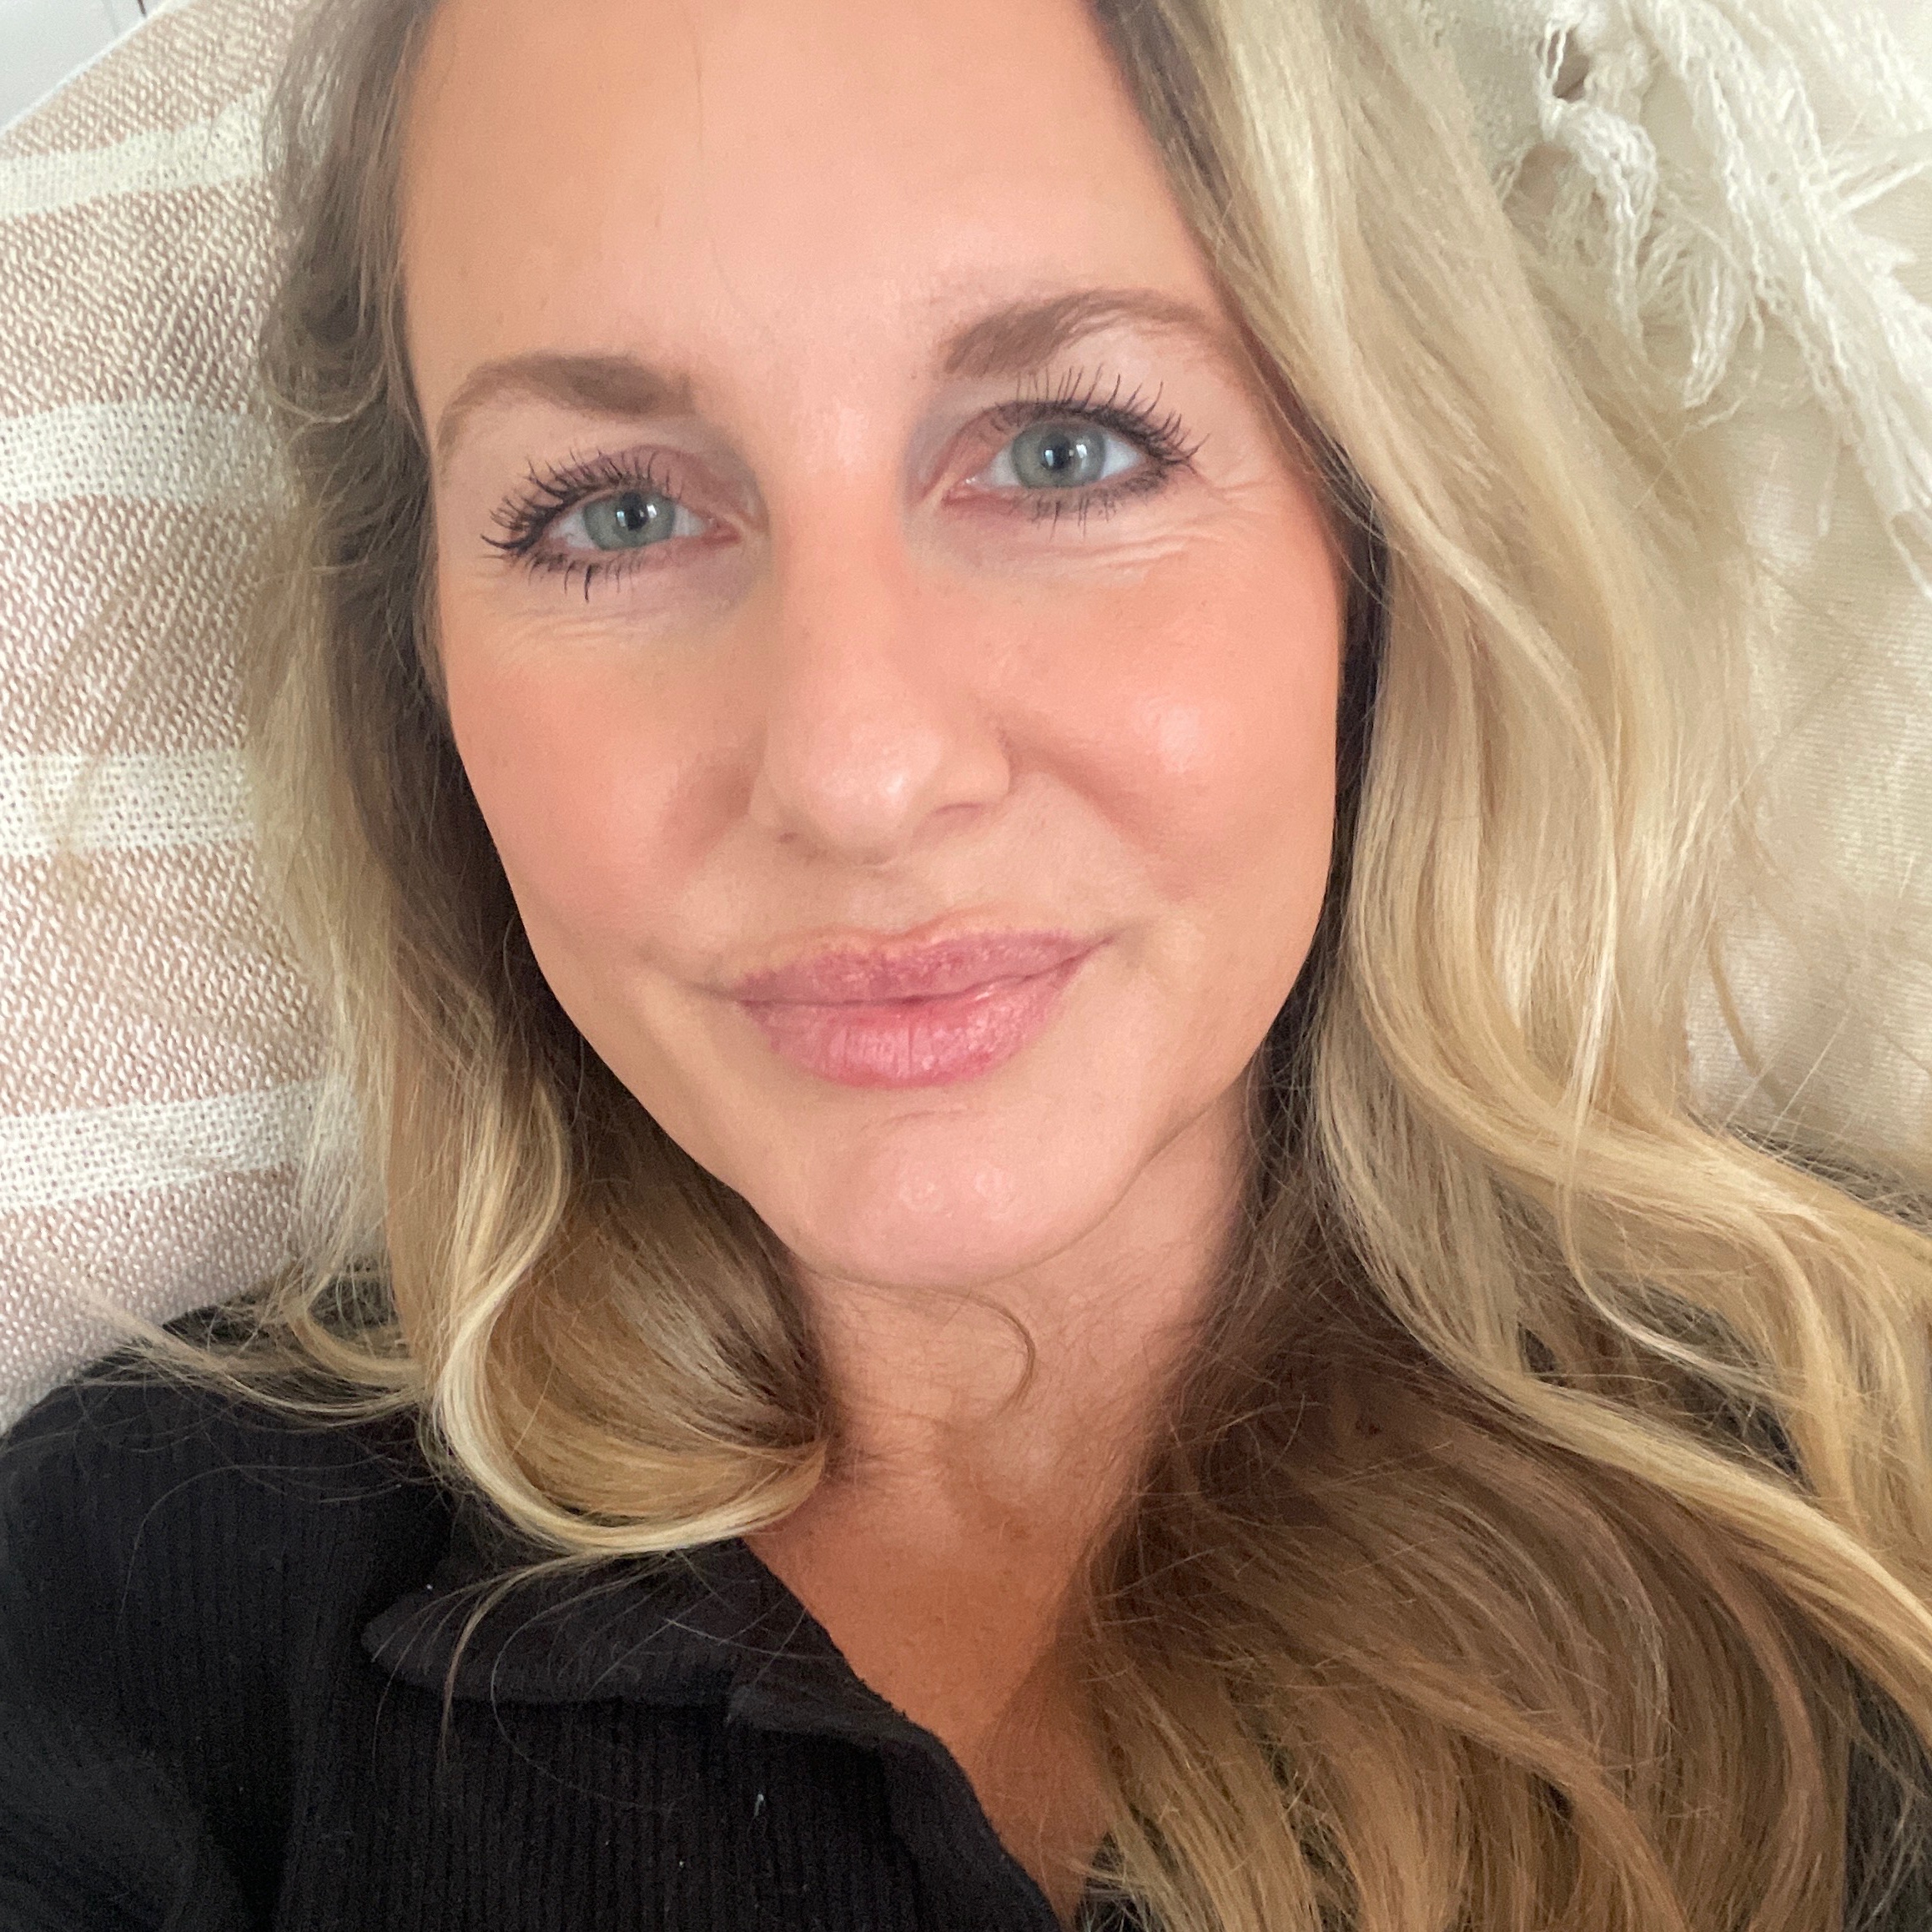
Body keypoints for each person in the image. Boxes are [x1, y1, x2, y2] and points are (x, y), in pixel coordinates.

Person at [5, 0, 1932, 1926]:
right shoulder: (127, 1618)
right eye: (617, 510)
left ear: (1378, 547)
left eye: (1068, 451)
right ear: (421, 666)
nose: (855, 772)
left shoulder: (1873, 1493)